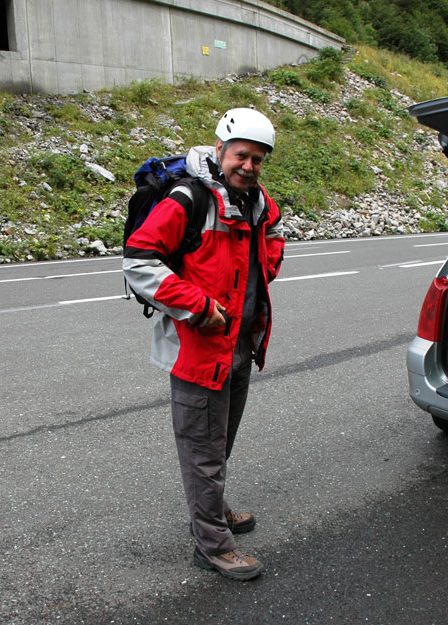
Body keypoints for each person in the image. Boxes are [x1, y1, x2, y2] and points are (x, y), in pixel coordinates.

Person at [122, 108, 284, 581]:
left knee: (219, 443)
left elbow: (272, 236)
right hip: (199, 351)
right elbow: (139, 261)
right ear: (220, 150)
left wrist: (266, 268)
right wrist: (198, 306)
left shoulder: (256, 201)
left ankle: (211, 508)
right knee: (203, 450)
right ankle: (211, 545)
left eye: (258, 159)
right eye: (241, 155)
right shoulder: (189, 199)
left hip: (238, 346)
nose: (249, 166)